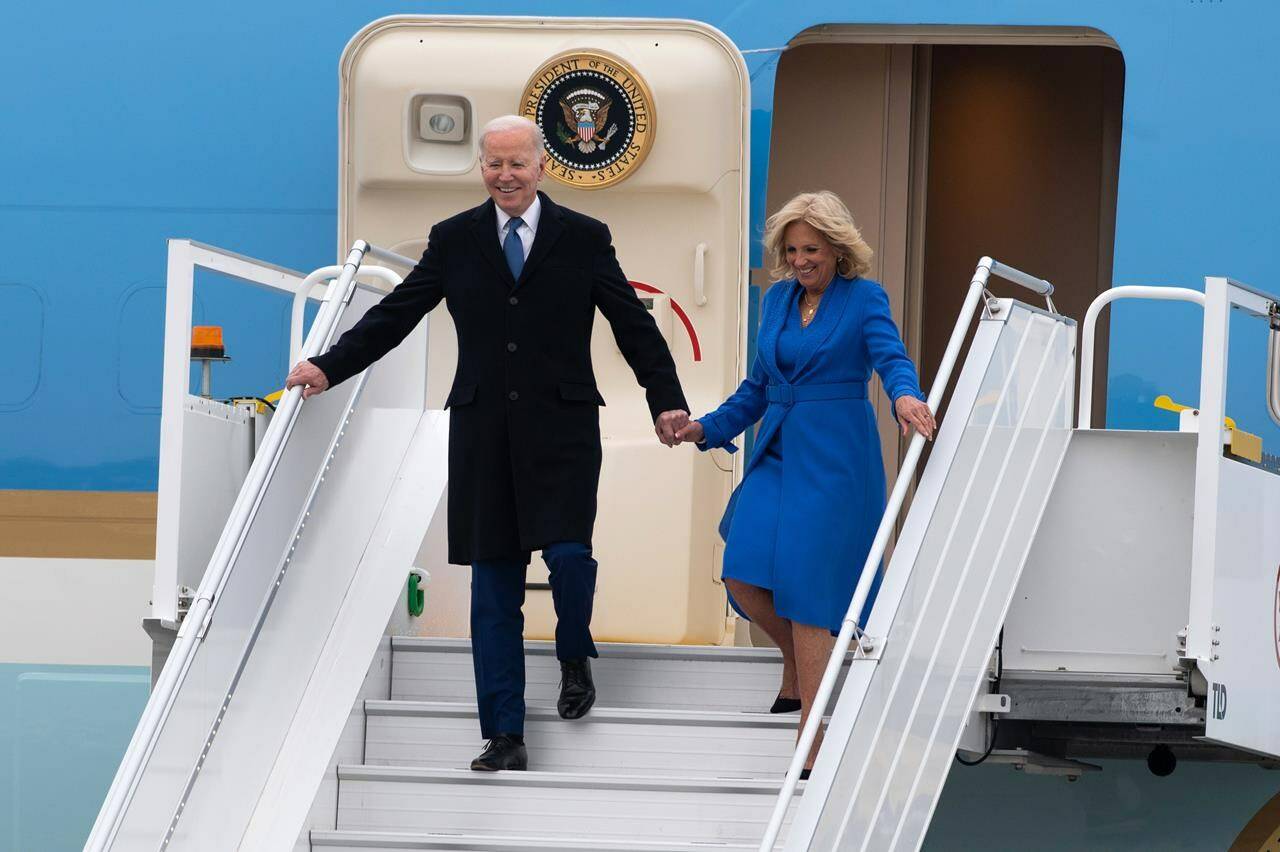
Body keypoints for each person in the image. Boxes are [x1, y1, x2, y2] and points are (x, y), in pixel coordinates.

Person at [285, 115, 690, 772]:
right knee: (493, 582)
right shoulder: (455, 239)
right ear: (482, 167)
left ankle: (574, 655)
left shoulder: (584, 238)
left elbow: (632, 327)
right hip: (482, 431)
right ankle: (504, 732)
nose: (506, 175)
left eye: (517, 164)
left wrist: (665, 400)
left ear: (542, 167)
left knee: (568, 556)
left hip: (562, 427)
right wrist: (329, 366)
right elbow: (397, 314)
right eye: (494, 164)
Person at [674, 191, 934, 777]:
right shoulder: (777, 301)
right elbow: (756, 387)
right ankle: (798, 665)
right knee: (741, 569)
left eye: (811, 249)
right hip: (779, 445)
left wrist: (905, 396)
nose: (799, 260)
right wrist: (703, 428)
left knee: (811, 591)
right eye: (790, 250)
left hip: (836, 456)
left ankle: (811, 734)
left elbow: (890, 358)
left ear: (838, 250)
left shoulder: (864, 298)